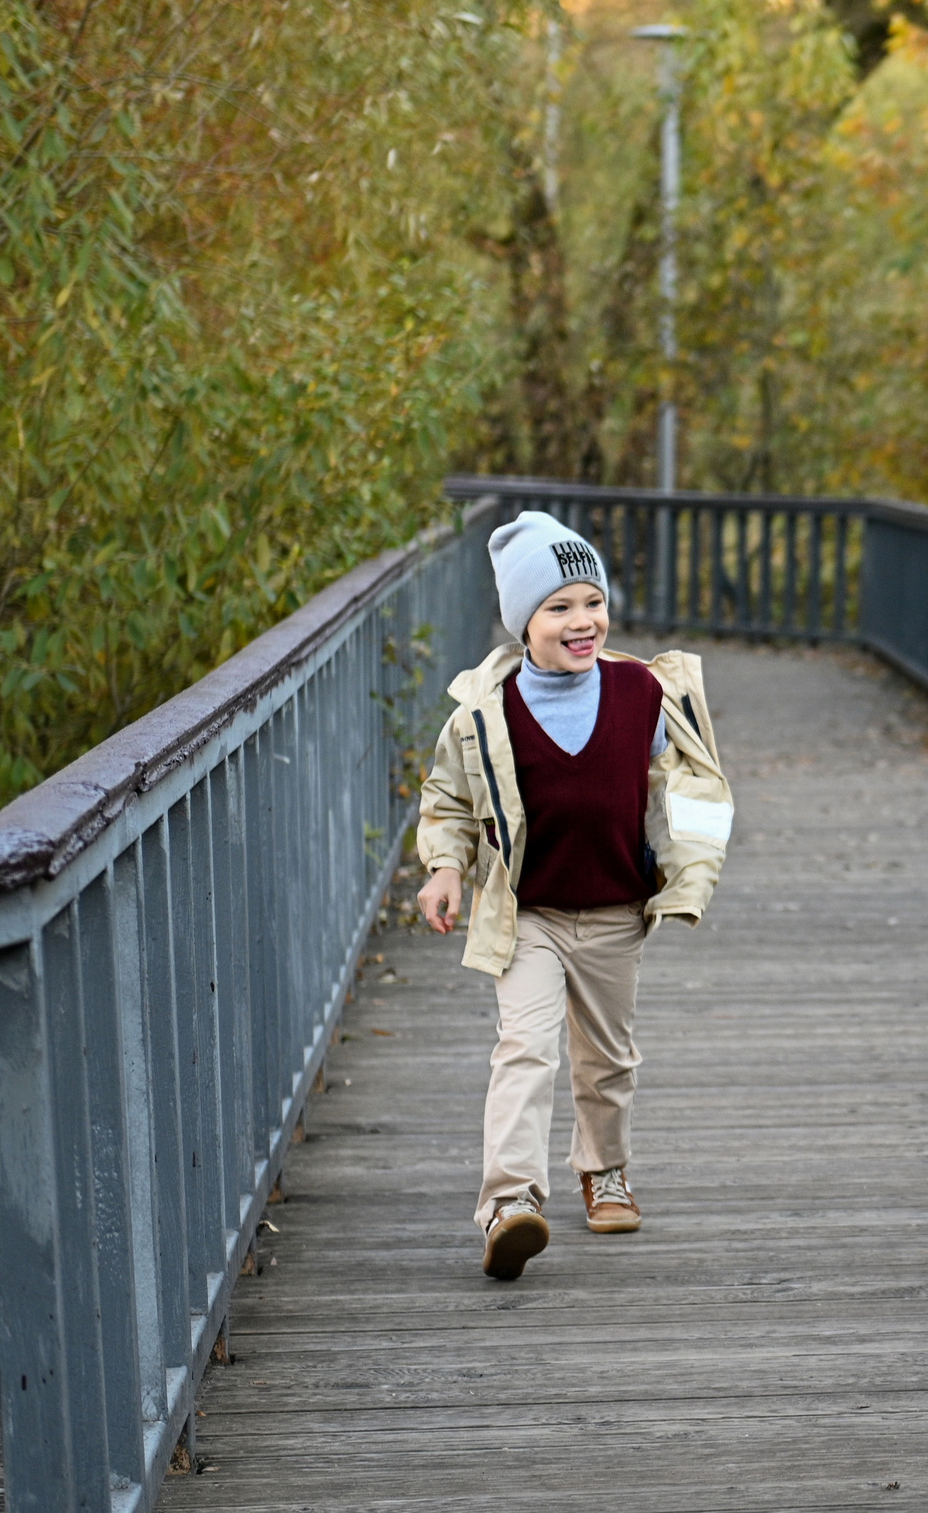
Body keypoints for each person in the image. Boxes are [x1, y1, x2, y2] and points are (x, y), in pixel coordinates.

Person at [413, 511, 735, 1280]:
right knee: (524, 1050)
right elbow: (448, 799)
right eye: (558, 608)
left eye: (592, 601)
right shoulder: (486, 714)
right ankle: (510, 1201)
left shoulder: (639, 692)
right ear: (525, 622)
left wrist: (691, 870)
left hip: (617, 910)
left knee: (607, 1058)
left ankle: (605, 1167)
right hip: (527, 914)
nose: (582, 621)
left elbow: (696, 778)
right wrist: (445, 867)